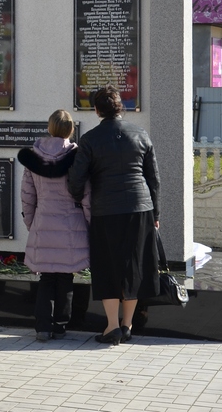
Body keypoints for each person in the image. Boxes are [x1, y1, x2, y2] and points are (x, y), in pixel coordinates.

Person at [67, 84, 160, 345]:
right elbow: (153, 178)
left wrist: (75, 197)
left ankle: (111, 327)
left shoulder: (91, 139)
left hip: (106, 210)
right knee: (134, 266)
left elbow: (77, 178)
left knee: (107, 267)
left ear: (97, 110)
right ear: (120, 107)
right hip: (140, 208)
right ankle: (127, 324)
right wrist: (156, 213)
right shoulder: (141, 134)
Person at [18, 109, 90, 342]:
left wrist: (32, 222)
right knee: (65, 278)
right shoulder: (77, 156)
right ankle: (60, 325)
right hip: (72, 224)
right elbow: (86, 193)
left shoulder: (33, 157)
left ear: (49, 128)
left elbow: (27, 195)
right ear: (71, 130)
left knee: (46, 278)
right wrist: (90, 222)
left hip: (43, 221)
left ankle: (42, 326)